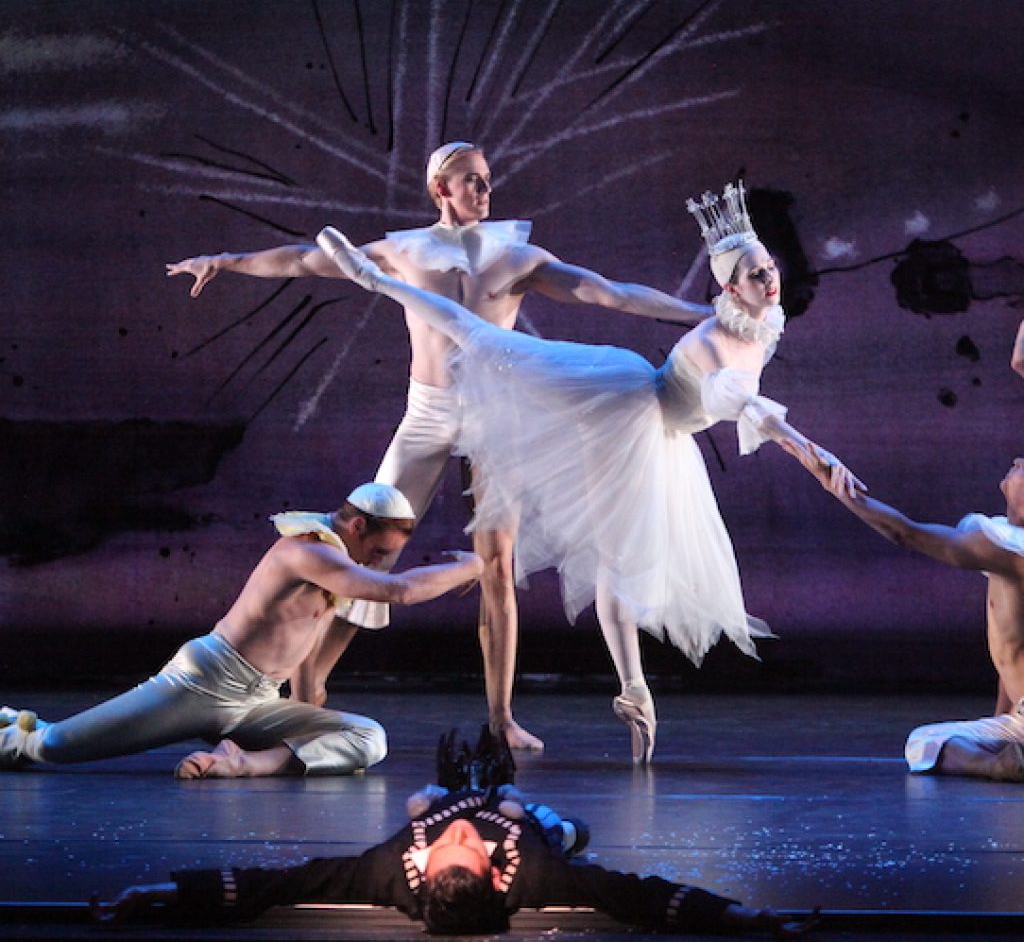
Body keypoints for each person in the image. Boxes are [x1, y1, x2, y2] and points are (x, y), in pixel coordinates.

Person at [166, 142, 712, 753]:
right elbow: (301, 259)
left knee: (497, 567)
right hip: (426, 415)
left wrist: (700, 311)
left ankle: (501, 717)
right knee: (363, 553)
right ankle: (306, 693)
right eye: (471, 181)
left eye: (487, 181)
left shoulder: (515, 256)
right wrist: (225, 260)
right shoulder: (401, 250)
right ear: (440, 190)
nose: (485, 191)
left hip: (496, 417)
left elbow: (607, 292)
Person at [314, 180, 857, 764]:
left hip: (664, 436)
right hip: (624, 415)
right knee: (488, 340)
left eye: (769, 269)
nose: (770, 281)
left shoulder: (760, 321)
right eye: (755, 275)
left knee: (625, 561)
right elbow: (742, 405)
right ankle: (377, 280)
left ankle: (633, 690)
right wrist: (813, 453)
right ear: (729, 287)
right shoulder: (717, 343)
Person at [92, 728, 818, 937]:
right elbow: (642, 897)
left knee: (425, 801)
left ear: (429, 868)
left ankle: (514, 807)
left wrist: (159, 892)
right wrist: (746, 919)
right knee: (508, 805)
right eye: (465, 844)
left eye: (452, 842)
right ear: (495, 876)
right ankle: (555, 823)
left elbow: (276, 884)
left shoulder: (388, 871)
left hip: (437, 814)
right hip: (540, 834)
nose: (459, 834)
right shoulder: (534, 875)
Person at [0, 483, 483, 778]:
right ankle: (13, 729)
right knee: (51, 746)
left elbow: (308, 630)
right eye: (378, 551)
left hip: (255, 702)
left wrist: (306, 693)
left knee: (368, 738)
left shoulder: (336, 559)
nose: (378, 562)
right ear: (356, 526)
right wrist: (476, 565)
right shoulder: (307, 552)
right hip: (204, 684)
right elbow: (397, 592)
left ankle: (244, 764)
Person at [798, 453, 1024, 782]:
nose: (1016, 462)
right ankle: (1007, 759)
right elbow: (1012, 649)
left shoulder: (1009, 550)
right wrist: (1001, 722)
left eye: (1022, 466)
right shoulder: (1005, 543)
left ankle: (996, 766)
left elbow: (906, 533)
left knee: (923, 743)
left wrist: (839, 489)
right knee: (930, 740)